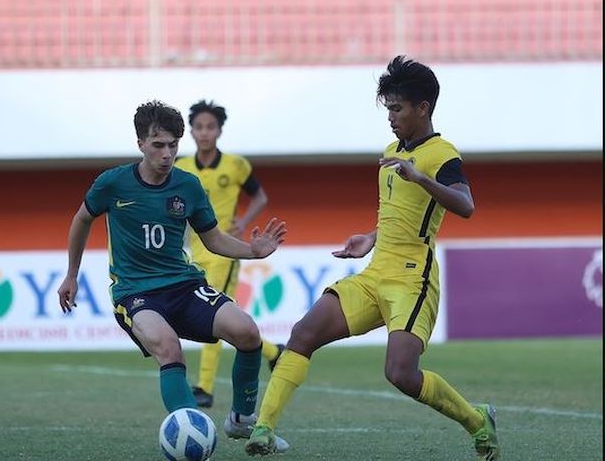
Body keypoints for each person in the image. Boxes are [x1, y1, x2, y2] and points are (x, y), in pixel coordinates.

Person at [245, 56, 500, 460]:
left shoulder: (442, 154)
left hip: (412, 279)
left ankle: (476, 420)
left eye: (397, 108)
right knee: (302, 334)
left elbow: (466, 206)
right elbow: (401, 215)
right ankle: (263, 429)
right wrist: (370, 236)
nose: (391, 117)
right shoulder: (390, 151)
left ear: (423, 108)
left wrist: (421, 177)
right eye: (388, 109)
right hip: (375, 271)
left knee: (400, 373)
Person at [56, 100, 289, 451]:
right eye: (158, 145)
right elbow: (81, 220)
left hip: (184, 284)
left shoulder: (188, 186)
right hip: (135, 292)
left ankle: (241, 420)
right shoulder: (112, 184)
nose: (167, 154)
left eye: (173, 145)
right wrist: (71, 275)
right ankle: (193, 435)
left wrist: (252, 251)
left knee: (247, 332)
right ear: (141, 144)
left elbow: (212, 239)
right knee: (169, 349)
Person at [175, 99, 284, 409]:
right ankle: (274, 353)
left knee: (212, 316)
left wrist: (243, 223)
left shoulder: (235, 165)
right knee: (218, 318)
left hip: (225, 251)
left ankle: (204, 388)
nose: (205, 133)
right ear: (191, 132)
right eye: (199, 127)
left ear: (219, 130)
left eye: (210, 127)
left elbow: (260, 197)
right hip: (196, 252)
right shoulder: (181, 167)